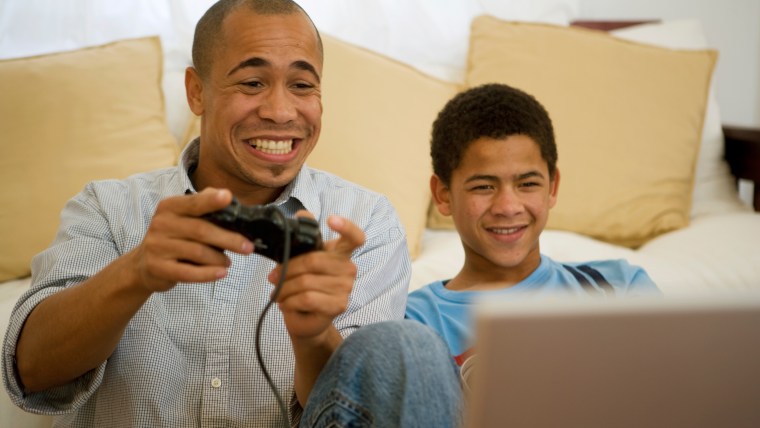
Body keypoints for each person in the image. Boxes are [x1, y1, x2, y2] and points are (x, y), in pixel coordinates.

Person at [2, 1, 461, 426]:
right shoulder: (107, 208)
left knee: (412, 348)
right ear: (196, 92)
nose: (281, 111)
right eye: (252, 82)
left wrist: (315, 334)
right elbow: (32, 371)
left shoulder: (365, 222)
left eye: (302, 85)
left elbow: (360, 413)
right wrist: (135, 272)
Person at [405, 83, 661, 373]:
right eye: (484, 186)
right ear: (443, 195)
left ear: (553, 187)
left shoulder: (618, 287)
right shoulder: (413, 322)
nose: (508, 206)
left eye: (527, 184)